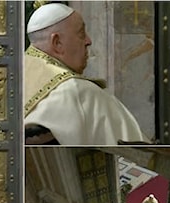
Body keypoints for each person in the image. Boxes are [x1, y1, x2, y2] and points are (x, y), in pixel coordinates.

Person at [24, 3, 148, 145]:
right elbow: (137, 153)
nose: (88, 41)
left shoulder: (10, 78)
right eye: (81, 34)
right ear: (57, 42)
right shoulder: (78, 91)